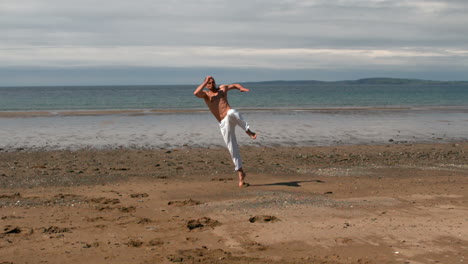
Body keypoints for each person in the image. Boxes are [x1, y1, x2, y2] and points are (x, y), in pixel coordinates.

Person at [194, 76, 257, 187]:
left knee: (232, 112)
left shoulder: (222, 89)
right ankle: (241, 173)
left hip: (229, 116)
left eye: (213, 82)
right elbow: (196, 93)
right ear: (206, 84)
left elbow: (234, 85)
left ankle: (248, 130)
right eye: (209, 82)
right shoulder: (206, 95)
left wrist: (241, 88)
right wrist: (204, 82)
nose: (212, 83)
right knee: (232, 147)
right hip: (223, 123)